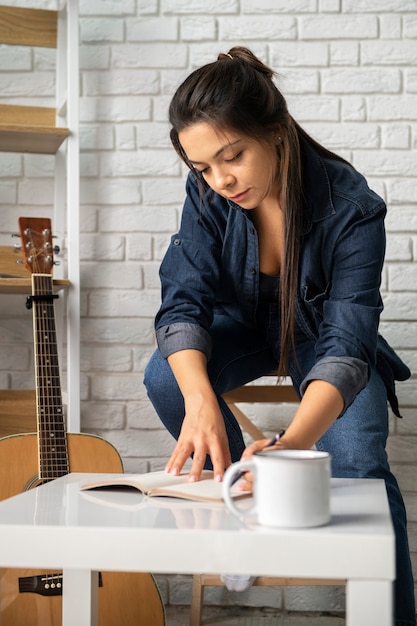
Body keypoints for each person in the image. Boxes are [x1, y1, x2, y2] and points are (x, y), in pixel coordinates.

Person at [144, 46, 416, 625]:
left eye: (232, 156)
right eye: (203, 169)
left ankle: (393, 617)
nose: (220, 180)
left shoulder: (354, 207)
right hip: (243, 327)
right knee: (164, 378)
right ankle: (247, 502)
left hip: (325, 341)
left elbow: (347, 343)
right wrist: (198, 400)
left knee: (361, 463)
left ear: (276, 129)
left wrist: (290, 448)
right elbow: (183, 296)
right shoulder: (209, 193)